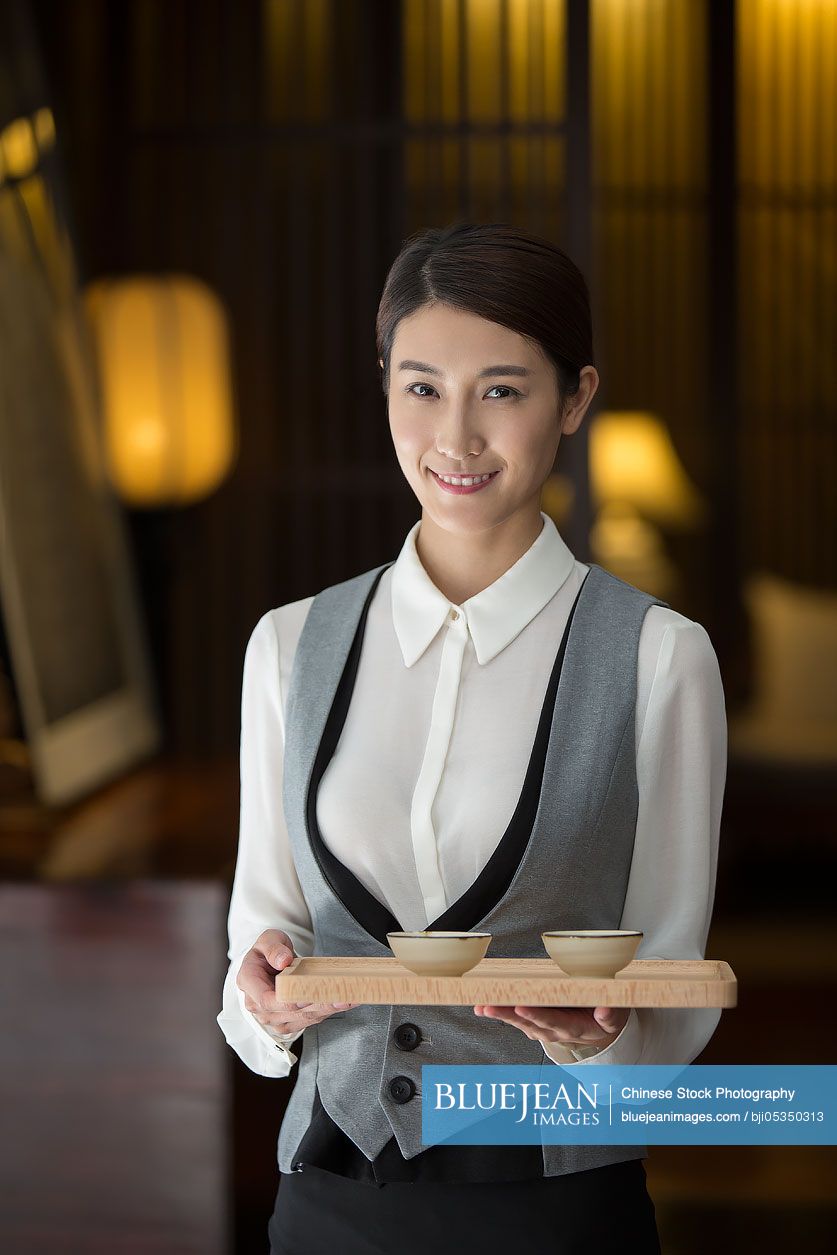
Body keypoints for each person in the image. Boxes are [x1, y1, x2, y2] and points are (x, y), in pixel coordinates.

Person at [216, 222, 727, 1254]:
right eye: (421, 387)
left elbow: (673, 977)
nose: (455, 436)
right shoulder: (288, 646)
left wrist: (605, 1042)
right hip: (325, 1202)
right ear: (385, 385)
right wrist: (263, 1008)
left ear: (575, 398)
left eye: (501, 390)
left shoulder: (660, 657)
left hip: (554, 1211)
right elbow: (259, 937)